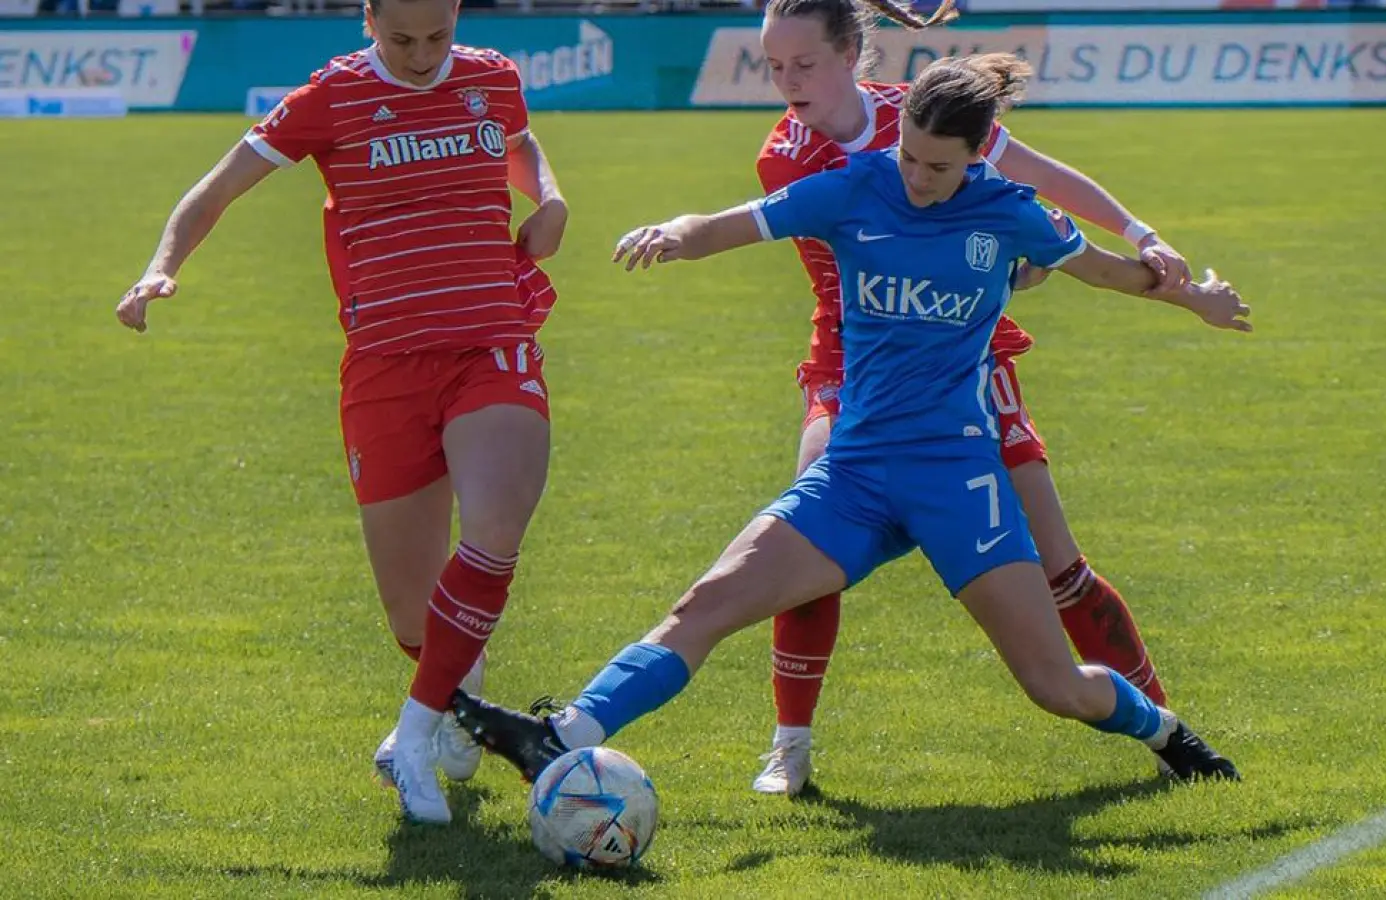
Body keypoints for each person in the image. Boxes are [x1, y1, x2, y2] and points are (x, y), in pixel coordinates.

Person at [449, 54, 1246, 792]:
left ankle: (1165, 732)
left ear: (978, 155)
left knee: (1055, 686)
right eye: (909, 157)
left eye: (940, 166)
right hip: (854, 474)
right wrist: (676, 234)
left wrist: (1194, 296)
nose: (918, 177)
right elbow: (733, 221)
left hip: (958, 479)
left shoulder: (1012, 214)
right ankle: (561, 735)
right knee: (705, 606)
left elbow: (1111, 275)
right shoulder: (853, 186)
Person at [747, 0, 1237, 795]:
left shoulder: (919, 116)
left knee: (1061, 569)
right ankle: (789, 747)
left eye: (801, 64)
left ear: (850, 55)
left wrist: (1139, 233)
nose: (785, 82)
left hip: (970, 360)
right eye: (773, 65)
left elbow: (1039, 182)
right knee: (811, 546)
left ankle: (1161, 724)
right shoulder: (782, 159)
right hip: (853, 367)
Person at [113, 0, 567, 825]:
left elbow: (519, 139)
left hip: (490, 341)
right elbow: (216, 189)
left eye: (439, 35)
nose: (424, 54)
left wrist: (550, 197)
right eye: (402, 38)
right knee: (410, 610)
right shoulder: (332, 97)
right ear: (368, 21)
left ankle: (416, 727)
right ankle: (461, 694)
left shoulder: (494, 77)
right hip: (385, 369)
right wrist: (159, 267)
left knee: (496, 525)